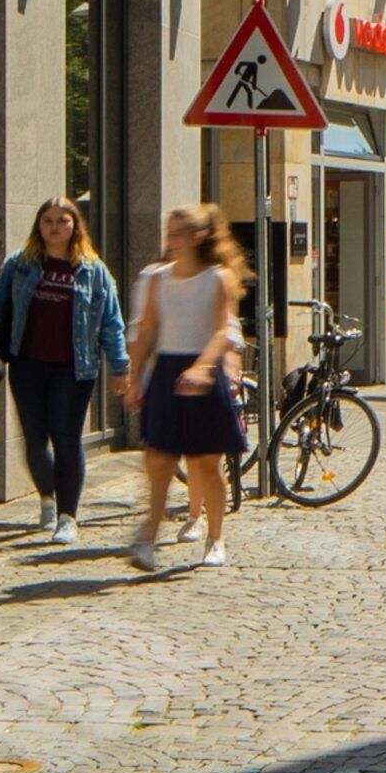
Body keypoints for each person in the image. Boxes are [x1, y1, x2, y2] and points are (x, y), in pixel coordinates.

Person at [0, 199, 130, 545]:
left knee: (67, 439)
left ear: (75, 226)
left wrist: (120, 365)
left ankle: (68, 516)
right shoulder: (20, 265)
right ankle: (47, 499)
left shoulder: (93, 270)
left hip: (74, 368)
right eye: (48, 220)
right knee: (35, 439)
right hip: (27, 364)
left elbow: (111, 323)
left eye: (62, 221)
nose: (54, 227)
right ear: (39, 225)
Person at [126, 204, 249, 573]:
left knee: (205, 464)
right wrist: (135, 378)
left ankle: (215, 536)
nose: (172, 239)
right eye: (170, 231)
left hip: (202, 369)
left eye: (179, 232)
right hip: (166, 369)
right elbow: (146, 329)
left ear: (198, 236)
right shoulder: (157, 278)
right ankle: (147, 538)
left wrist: (202, 367)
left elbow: (222, 330)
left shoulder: (217, 278)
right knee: (159, 459)